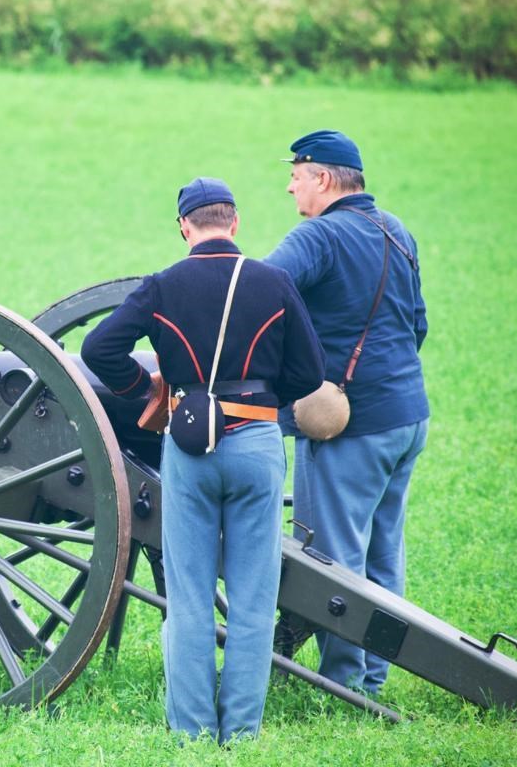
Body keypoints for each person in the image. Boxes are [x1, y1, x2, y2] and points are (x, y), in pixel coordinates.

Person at [82, 178, 323, 743]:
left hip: (189, 447)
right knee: (253, 598)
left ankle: (190, 731)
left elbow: (99, 349)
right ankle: (240, 732)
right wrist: (261, 401)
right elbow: (309, 374)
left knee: (188, 597)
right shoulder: (273, 281)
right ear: (235, 223)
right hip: (258, 442)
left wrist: (147, 387)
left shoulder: (162, 286)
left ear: (185, 227)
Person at [265, 130, 429, 695]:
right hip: (407, 416)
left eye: (296, 175)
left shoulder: (318, 237)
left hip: (348, 425)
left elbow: (259, 295)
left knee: (333, 564)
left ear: (324, 179)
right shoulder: (396, 231)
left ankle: (342, 685)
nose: (290, 187)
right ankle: (374, 678)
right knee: (382, 555)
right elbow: (418, 324)